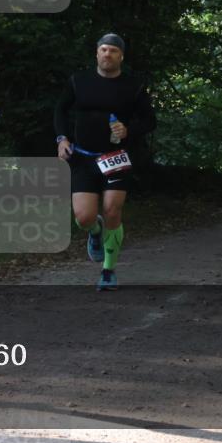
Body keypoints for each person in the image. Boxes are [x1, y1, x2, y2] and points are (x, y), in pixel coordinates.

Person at [54, 33, 156, 291]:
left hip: (115, 157)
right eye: (103, 50)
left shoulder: (133, 86)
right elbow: (60, 110)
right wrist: (62, 139)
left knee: (112, 209)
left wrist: (129, 130)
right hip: (83, 156)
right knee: (83, 217)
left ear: (121, 55)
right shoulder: (79, 81)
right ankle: (95, 230)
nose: (107, 54)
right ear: (96, 54)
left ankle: (108, 270)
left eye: (112, 50)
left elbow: (150, 120)